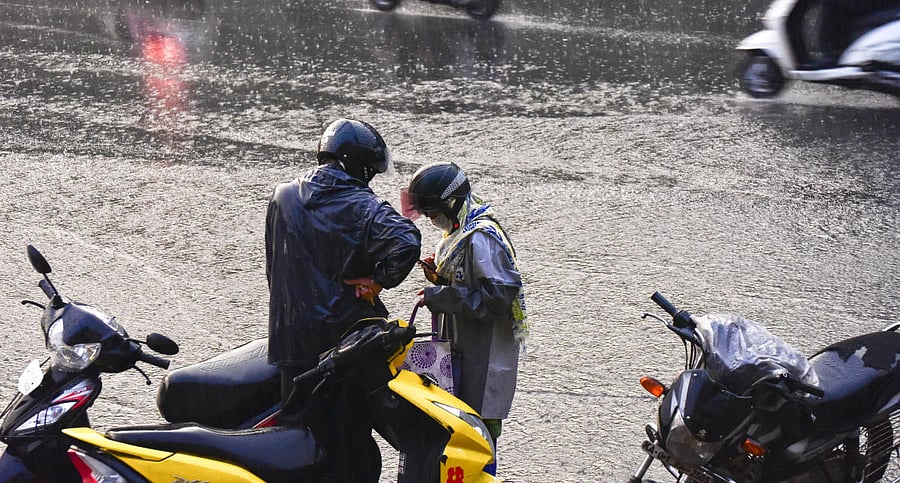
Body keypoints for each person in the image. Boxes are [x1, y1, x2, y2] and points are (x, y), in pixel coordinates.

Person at [265, 118, 421, 482]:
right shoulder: (361, 204)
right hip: (342, 348)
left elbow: (275, 266)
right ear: (360, 164)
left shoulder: (283, 196)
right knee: (349, 448)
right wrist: (378, 280)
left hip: (290, 343)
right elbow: (407, 240)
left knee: (299, 444)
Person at [402, 161, 527, 473]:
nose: (432, 220)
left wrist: (442, 296)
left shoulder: (481, 238)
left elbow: (498, 297)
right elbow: (468, 284)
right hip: (461, 350)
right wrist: (440, 280)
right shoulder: (458, 233)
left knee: (480, 435)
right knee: (456, 430)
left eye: (434, 213)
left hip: (483, 358)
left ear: (451, 203)